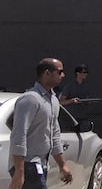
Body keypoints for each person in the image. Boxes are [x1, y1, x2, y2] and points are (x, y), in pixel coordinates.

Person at [9, 58, 73, 189]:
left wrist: (62, 165)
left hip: (41, 164)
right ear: (47, 73)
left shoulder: (53, 100)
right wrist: (19, 171)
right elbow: (18, 135)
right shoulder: (30, 99)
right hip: (28, 164)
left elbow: (54, 134)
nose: (63, 75)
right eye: (60, 72)